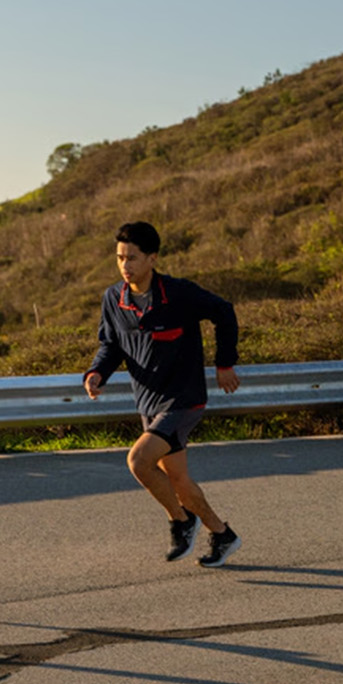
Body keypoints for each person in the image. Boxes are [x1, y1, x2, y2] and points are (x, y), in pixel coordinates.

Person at [83, 221, 243, 567]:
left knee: (138, 461)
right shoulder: (114, 299)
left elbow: (224, 312)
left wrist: (225, 363)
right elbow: (110, 344)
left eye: (133, 258)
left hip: (184, 398)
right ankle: (222, 534)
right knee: (179, 480)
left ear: (152, 258)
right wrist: (97, 373)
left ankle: (181, 522)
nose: (125, 266)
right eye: (120, 258)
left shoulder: (179, 293)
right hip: (149, 401)